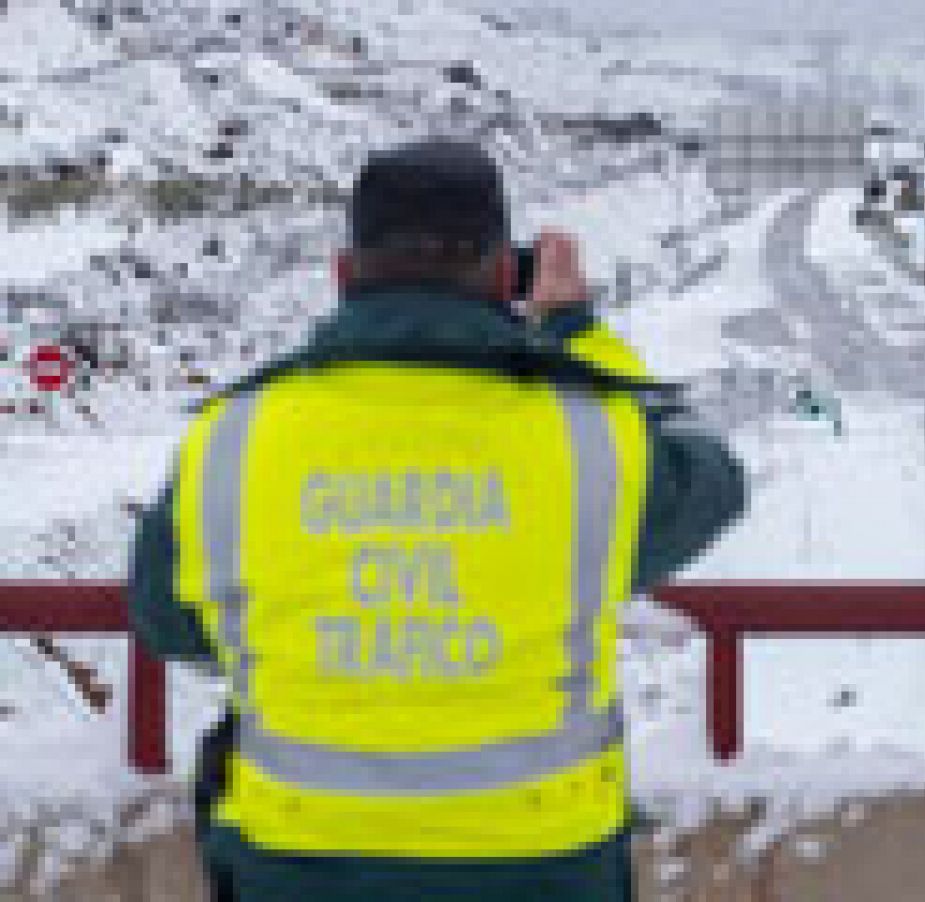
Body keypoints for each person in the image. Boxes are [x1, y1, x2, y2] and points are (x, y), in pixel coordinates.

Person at [128, 139, 747, 901]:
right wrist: (576, 328)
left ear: (343, 272)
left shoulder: (234, 433)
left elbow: (169, 621)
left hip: (294, 863)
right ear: (502, 274)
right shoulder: (591, 436)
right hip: (544, 867)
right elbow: (712, 473)